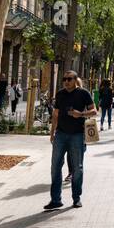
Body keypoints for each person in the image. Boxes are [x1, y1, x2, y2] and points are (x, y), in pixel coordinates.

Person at [44, 71, 95, 210]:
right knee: (55, 167)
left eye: (69, 79)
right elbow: (55, 114)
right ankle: (55, 200)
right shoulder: (60, 94)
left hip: (77, 136)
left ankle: (76, 198)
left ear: (75, 80)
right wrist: (52, 132)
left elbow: (94, 111)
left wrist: (81, 114)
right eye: (64, 79)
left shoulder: (84, 93)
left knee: (77, 168)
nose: (66, 81)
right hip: (60, 135)